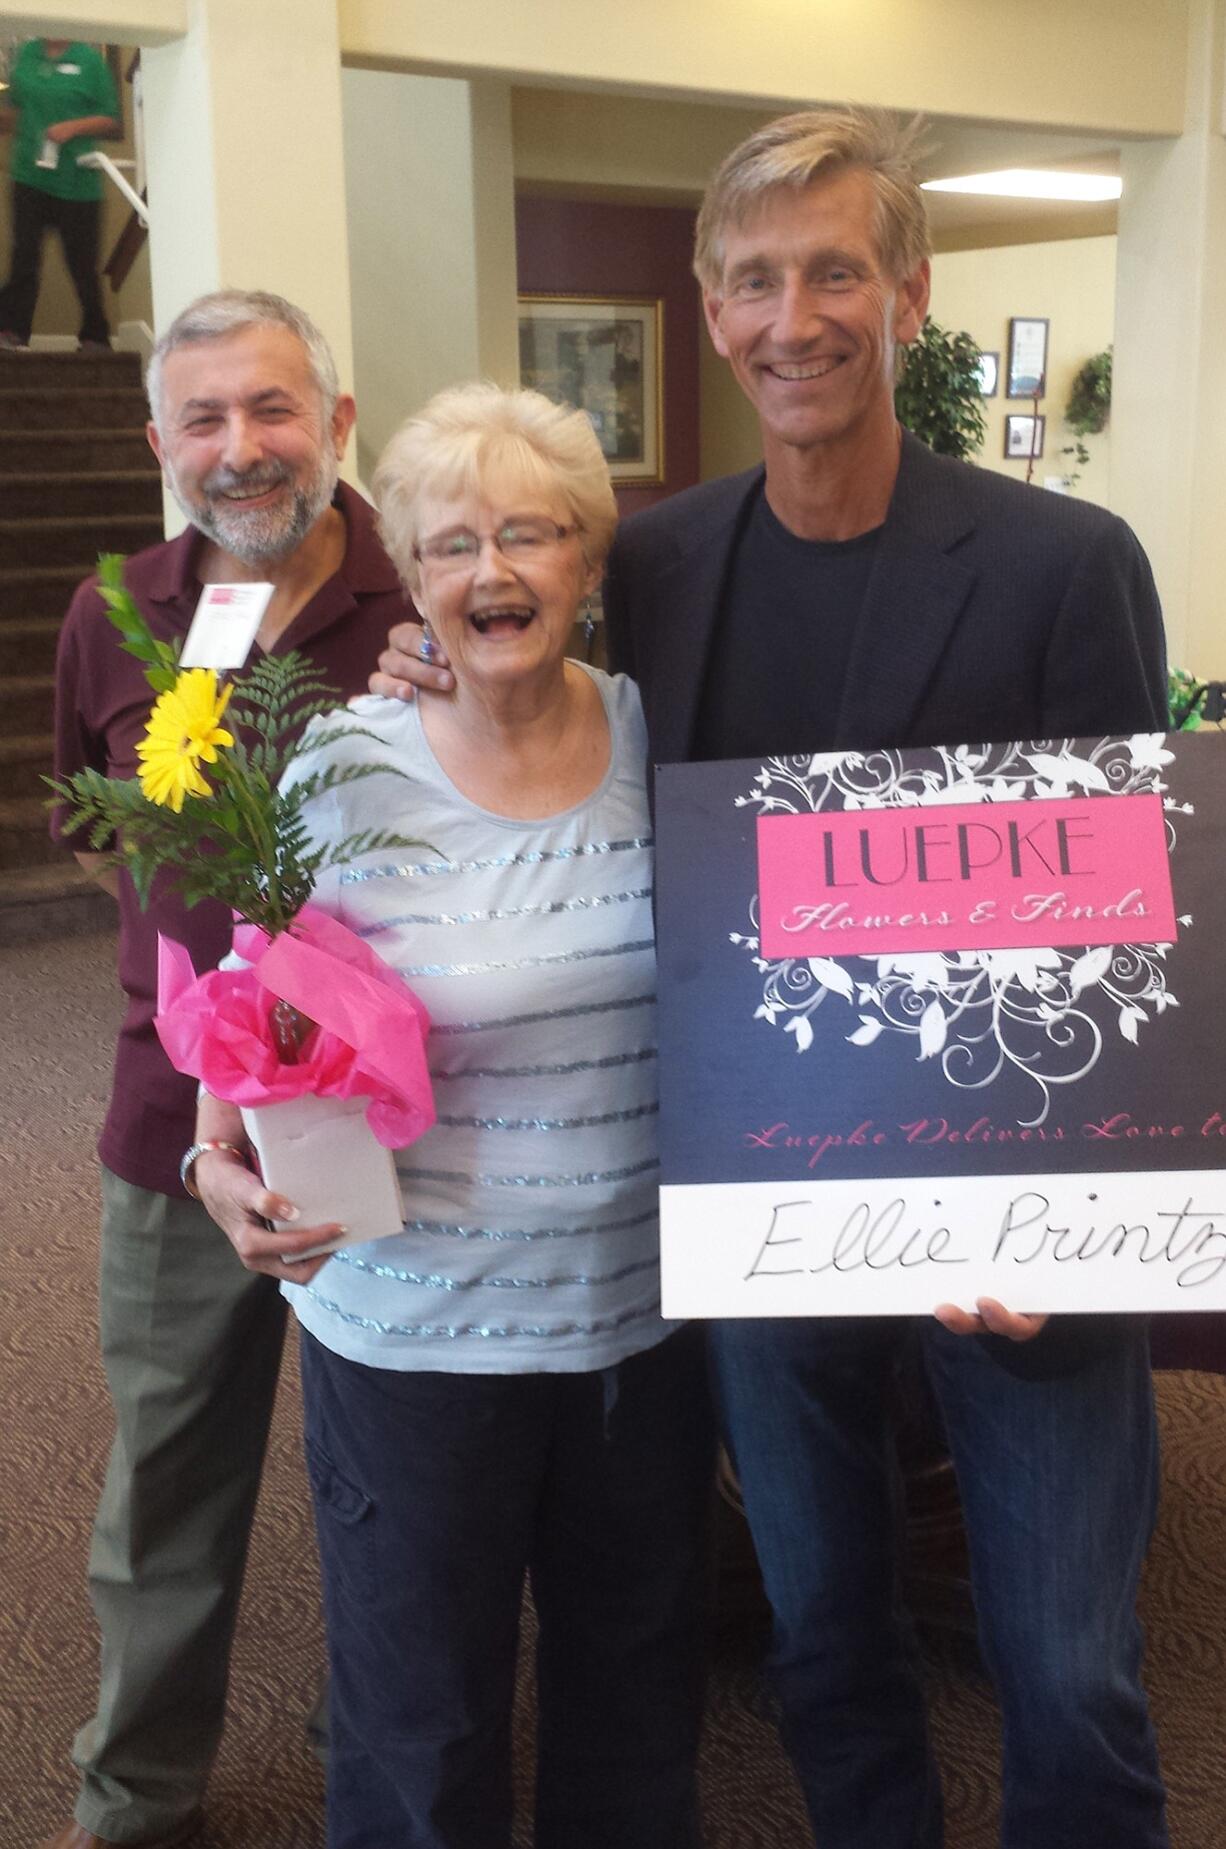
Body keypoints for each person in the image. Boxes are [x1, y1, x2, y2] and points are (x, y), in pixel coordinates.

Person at [375, 109, 1170, 1849]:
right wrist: (428, 640)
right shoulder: (656, 566)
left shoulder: (1063, 565)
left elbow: (1130, 924)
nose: (789, 315)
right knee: (823, 1635)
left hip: (1005, 1211)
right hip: (770, 1213)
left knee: (1070, 1663)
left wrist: (1077, 1219)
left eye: (830, 271)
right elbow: (533, 711)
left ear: (907, 292)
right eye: (751, 280)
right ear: (710, 306)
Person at [191, 381, 713, 1849]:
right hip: (414, 1333)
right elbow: (249, 1006)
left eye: (530, 535)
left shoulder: (664, 745)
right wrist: (210, 1160)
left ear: (589, 565)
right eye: (450, 544)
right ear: (411, 578)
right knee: (420, 1729)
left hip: (639, 1327)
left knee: (632, 1702)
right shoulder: (346, 771)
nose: (491, 572)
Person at [43, 289, 418, 1849]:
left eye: (273, 410)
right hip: (172, 1130)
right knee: (166, 1489)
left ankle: (385, 1746)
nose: (240, 447)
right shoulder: (117, 611)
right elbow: (91, 824)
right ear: (160, 444)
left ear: (335, 422)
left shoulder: (432, 591)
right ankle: (132, 1800)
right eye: (204, 418)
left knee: (402, 1478)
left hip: (398, 1121)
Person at [0, 38, 120, 351]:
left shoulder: (89, 59)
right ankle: (12, 331)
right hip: (29, 175)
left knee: (82, 266)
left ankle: (95, 337)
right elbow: (13, 108)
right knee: (23, 257)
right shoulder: (27, 53)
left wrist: (72, 127)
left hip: (77, 183)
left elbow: (109, 117)